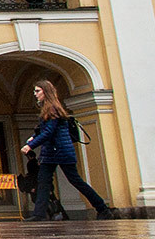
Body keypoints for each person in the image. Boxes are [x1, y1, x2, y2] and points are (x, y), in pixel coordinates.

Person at [21, 80, 116, 221]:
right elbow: (44, 130)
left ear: (46, 92)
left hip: (61, 151)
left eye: (37, 91)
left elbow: (49, 132)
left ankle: (102, 208)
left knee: (75, 181)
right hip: (51, 152)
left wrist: (31, 145)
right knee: (43, 181)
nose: (35, 94)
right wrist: (33, 137)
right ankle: (39, 214)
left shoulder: (52, 108)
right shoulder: (49, 108)